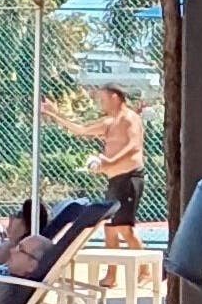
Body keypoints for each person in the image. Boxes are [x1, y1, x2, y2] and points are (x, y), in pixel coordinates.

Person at [40, 85, 146, 286]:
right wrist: (54, 114)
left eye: (103, 99)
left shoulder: (129, 118)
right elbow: (81, 130)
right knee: (110, 229)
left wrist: (110, 161)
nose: (100, 103)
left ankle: (145, 270)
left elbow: (134, 146)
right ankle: (112, 276)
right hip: (115, 180)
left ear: (115, 97)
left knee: (125, 229)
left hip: (130, 178)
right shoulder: (109, 122)